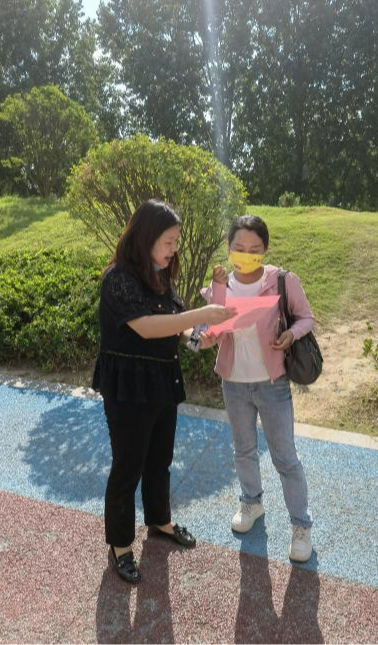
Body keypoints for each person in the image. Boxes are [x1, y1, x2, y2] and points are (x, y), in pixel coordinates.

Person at [92, 199, 236, 584]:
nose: (174, 249)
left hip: (161, 380)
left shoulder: (160, 275)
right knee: (128, 465)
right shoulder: (119, 279)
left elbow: (174, 325)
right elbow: (146, 326)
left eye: (176, 241)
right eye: (168, 241)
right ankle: (120, 545)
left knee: (159, 458)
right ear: (146, 237)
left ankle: (159, 520)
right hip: (128, 386)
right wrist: (201, 315)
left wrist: (197, 339)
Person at [200, 215, 314, 562]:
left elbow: (306, 318)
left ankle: (301, 525)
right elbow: (209, 331)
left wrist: (290, 334)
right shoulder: (219, 286)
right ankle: (251, 503)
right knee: (243, 450)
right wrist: (214, 304)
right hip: (234, 383)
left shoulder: (281, 280)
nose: (246, 255)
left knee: (285, 457)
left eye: (254, 249)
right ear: (228, 247)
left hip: (272, 383)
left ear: (265, 249)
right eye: (239, 248)